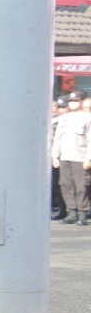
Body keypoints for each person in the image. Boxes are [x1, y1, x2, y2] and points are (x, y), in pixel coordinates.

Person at [52, 91, 90, 226]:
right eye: (71, 101)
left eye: (76, 101)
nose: (73, 104)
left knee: (82, 186)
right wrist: (55, 156)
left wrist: (88, 158)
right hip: (65, 156)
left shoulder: (87, 117)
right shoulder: (64, 118)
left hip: (80, 156)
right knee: (65, 185)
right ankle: (71, 212)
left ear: (81, 102)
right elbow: (58, 138)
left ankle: (82, 213)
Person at [51, 98, 67, 221]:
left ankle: (67, 209)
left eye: (60, 107)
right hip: (53, 156)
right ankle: (61, 208)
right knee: (56, 184)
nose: (55, 110)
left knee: (65, 184)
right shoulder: (51, 121)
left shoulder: (66, 121)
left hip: (66, 156)